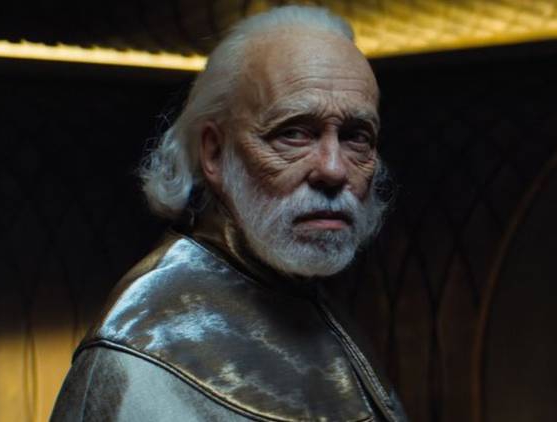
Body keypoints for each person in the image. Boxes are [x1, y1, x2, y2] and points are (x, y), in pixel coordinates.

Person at [51, 5, 407, 421]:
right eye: (293, 133)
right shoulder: (138, 352)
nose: (333, 169)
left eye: (356, 137)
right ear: (215, 153)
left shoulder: (308, 300)